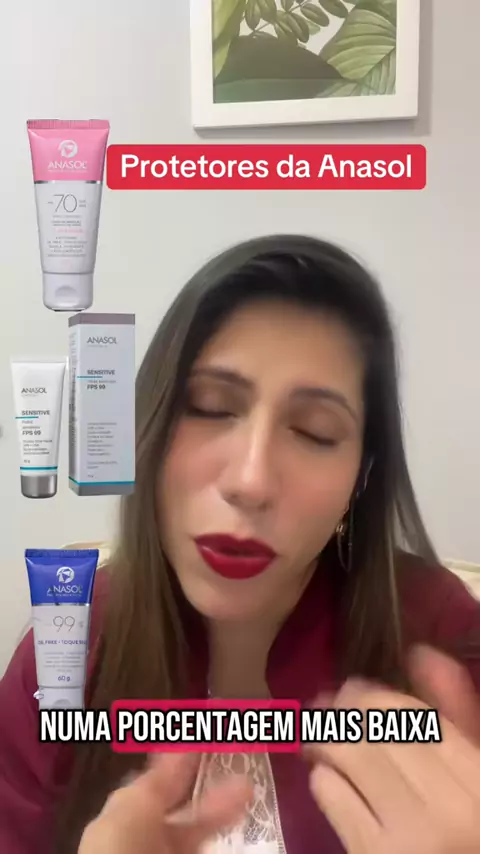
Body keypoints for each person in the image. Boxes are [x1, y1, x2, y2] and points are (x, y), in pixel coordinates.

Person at [1, 234, 480, 854]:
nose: (251, 482)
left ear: (359, 480)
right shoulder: (67, 645)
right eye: (208, 407)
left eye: (315, 431)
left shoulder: (438, 634)